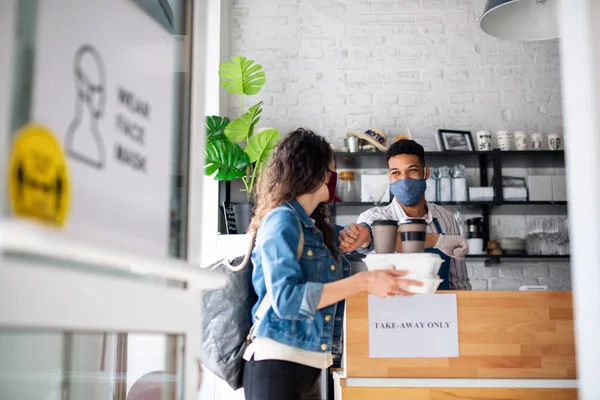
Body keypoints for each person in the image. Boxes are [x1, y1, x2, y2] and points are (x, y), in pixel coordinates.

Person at [242, 129, 422, 400]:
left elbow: (363, 238)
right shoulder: (282, 221)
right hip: (277, 364)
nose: (333, 177)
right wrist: (363, 282)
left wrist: (356, 235)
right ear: (313, 172)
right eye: (331, 170)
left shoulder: (315, 228)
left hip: (313, 365)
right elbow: (287, 299)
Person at [339, 139, 472, 290]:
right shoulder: (374, 217)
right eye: (396, 173)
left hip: (441, 308)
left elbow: (459, 282)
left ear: (426, 173)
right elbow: (368, 234)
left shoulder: (445, 218)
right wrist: (437, 240)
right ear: (389, 177)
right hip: (392, 309)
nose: (404, 179)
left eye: (412, 170)